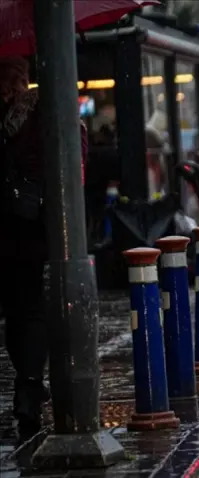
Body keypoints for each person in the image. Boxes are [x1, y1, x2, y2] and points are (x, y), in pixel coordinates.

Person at [0, 57, 87, 442]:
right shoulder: (42, 115)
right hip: (35, 228)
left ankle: (28, 389)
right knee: (32, 313)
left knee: (17, 313)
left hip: (5, 230)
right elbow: (74, 164)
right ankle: (29, 391)